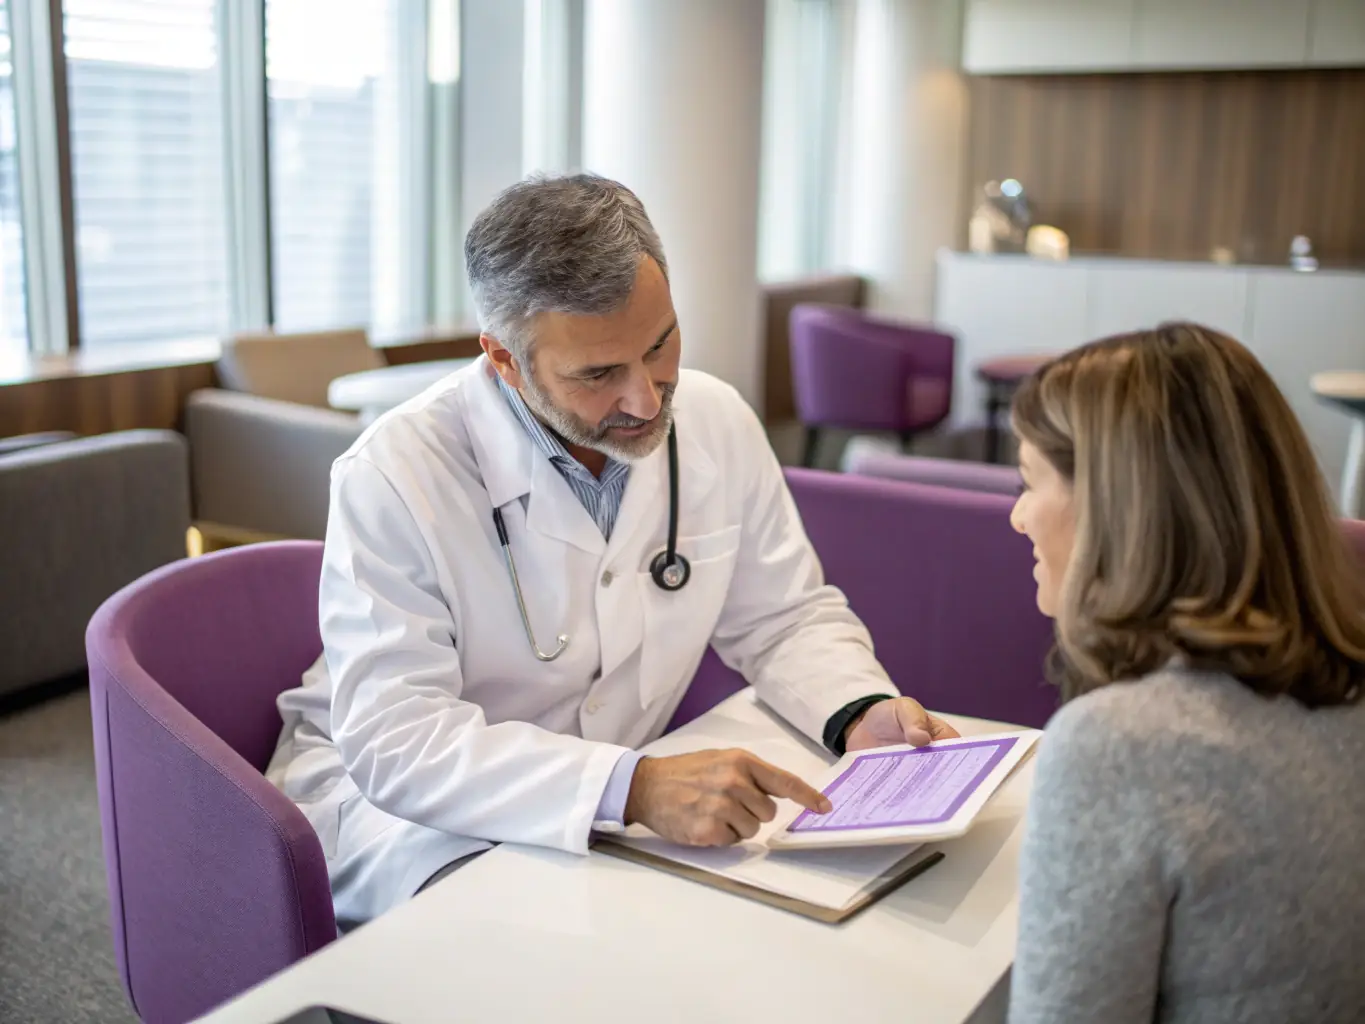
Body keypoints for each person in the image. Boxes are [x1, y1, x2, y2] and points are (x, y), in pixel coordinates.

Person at [265, 173, 958, 927]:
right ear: (504, 359)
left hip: (615, 800)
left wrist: (856, 708)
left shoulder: (716, 420)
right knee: (531, 948)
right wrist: (630, 788)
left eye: (659, 346)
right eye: (598, 374)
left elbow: (784, 615)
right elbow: (399, 741)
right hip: (408, 815)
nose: (646, 398)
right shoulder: (395, 473)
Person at [1006, 323, 1365, 1023]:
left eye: (1028, 482)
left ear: (1117, 506)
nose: (1019, 517)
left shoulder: (1118, 746)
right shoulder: (1345, 685)